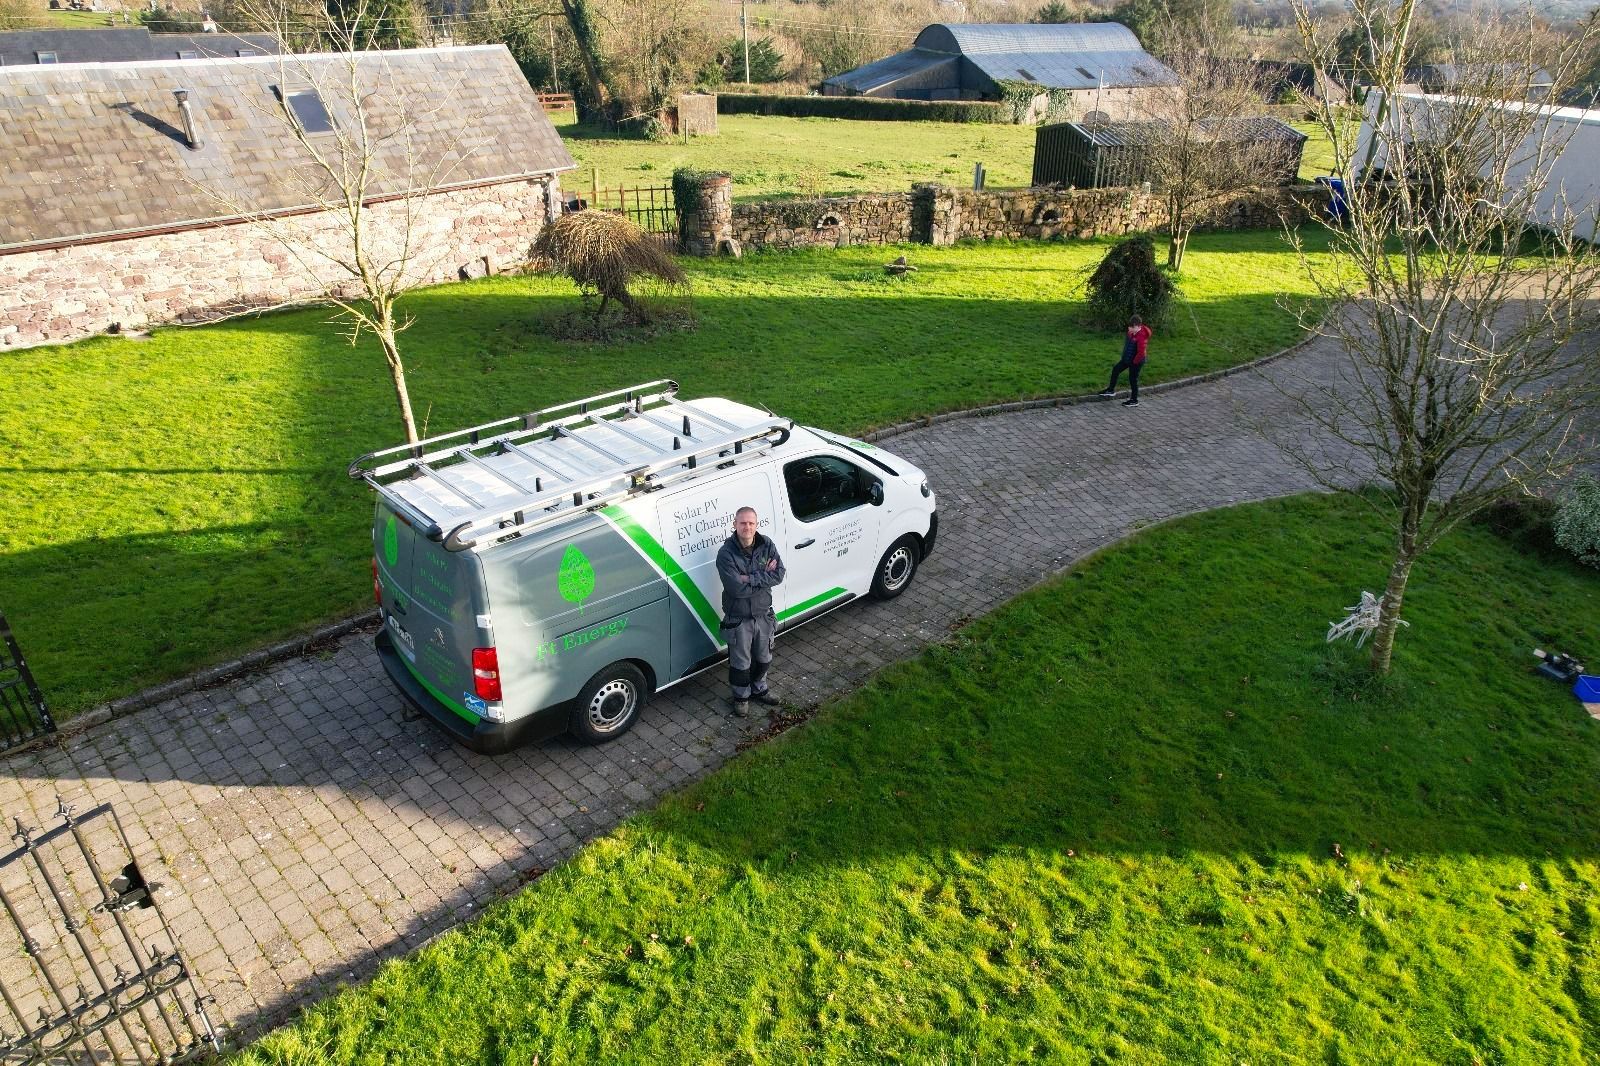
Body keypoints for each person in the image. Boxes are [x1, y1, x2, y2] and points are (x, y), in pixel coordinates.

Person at [715, 506, 785, 717]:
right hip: (739, 619)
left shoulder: (767, 544)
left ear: (757, 525)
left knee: (764, 658)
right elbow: (736, 589)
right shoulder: (726, 554)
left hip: (764, 615)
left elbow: (779, 574)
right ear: (734, 525)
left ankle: (759, 689)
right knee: (740, 663)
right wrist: (763, 575)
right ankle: (741, 698)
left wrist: (750, 578)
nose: (747, 527)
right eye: (742, 523)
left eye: (751, 523)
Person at [1099, 315, 1152, 407]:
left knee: (1133, 379)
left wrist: (1134, 363)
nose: (1129, 328)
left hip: (1136, 362)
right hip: (1127, 358)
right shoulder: (1131, 332)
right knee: (1116, 369)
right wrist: (1125, 358)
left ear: (1138, 326)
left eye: (1132, 327)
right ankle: (1110, 390)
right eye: (1129, 326)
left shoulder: (1141, 337)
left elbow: (1141, 353)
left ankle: (1134, 400)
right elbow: (1128, 346)